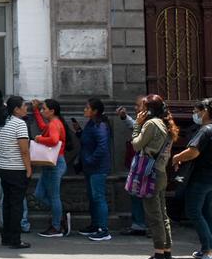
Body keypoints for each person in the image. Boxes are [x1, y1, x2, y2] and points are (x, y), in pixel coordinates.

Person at [172, 98, 212, 259]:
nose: (195, 114)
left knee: (193, 210)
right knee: (206, 212)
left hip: (200, 178)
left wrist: (177, 157)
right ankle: (211, 247)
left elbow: (193, 152)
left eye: (197, 111)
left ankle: (208, 250)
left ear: (205, 111)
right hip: (211, 176)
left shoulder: (206, 129)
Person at [131, 94, 179, 259]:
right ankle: (167, 253)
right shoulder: (165, 123)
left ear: (149, 109)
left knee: (154, 215)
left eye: (142, 106)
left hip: (150, 174)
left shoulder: (151, 124)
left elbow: (136, 144)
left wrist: (137, 125)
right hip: (160, 172)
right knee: (162, 214)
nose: (139, 110)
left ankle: (158, 255)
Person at [0, 96, 32, 250]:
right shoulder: (19, 124)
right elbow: (24, 150)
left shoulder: (1, 123)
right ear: (16, 109)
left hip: (3, 167)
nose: (26, 108)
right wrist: (28, 168)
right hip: (17, 168)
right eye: (24, 106)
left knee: (7, 203)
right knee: (17, 205)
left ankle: (7, 236)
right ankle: (15, 239)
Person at [73, 98, 112, 242]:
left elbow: (102, 147)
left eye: (87, 108)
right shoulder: (91, 124)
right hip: (90, 168)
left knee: (98, 197)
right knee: (93, 198)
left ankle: (103, 229)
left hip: (97, 168)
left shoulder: (100, 126)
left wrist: (90, 160)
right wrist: (78, 132)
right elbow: (87, 140)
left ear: (95, 111)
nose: (84, 110)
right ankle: (95, 225)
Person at [31, 98, 69, 238]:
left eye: (44, 109)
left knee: (53, 196)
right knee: (39, 194)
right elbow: (43, 126)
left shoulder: (54, 124)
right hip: (51, 163)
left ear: (52, 111)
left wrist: (39, 139)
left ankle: (56, 226)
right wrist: (36, 111)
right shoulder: (54, 123)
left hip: (55, 163)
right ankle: (59, 216)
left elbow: (53, 140)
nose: (42, 111)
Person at [117, 96, 148, 237]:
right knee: (135, 194)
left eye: (138, 106)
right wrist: (125, 118)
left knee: (148, 197)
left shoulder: (152, 124)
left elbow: (138, 141)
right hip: (139, 164)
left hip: (147, 165)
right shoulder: (143, 122)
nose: (136, 108)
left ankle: (151, 227)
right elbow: (135, 126)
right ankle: (139, 224)